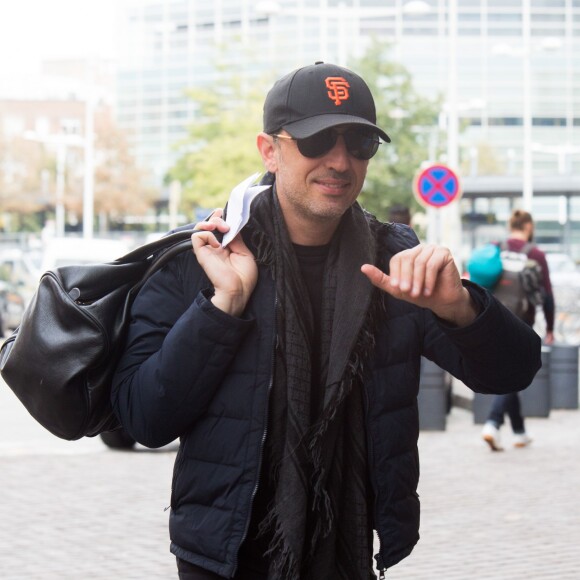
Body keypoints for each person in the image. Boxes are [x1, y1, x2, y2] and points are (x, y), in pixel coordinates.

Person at [111, 62, 541, 579]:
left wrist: (459, 308)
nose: (340, 161)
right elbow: (143, 420)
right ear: (269, 150)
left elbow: (513, 372)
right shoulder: (201, 256)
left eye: (359, 144)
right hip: (223, 559)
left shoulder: (394, 259)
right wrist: (221, 308)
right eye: (317, 142)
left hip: (346, 552)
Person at [481, 209, 554, 451]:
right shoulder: (534, 254)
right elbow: (547, 295)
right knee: (512, 373)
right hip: (521, 322)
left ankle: (519, 431)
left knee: (509, 371)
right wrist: (551, 328)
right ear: (528, 227)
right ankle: (492, 422)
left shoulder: (495, 247)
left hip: (491, 318)